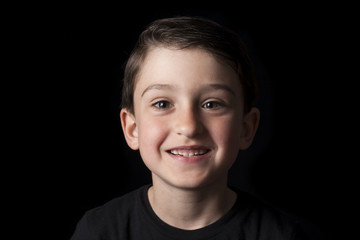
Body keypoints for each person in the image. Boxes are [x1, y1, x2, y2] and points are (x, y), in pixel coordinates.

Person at [70, 16, 307, 240]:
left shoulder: (280, 235)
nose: (189, 126)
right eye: (162, 103)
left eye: (211, 104)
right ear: (133, 129)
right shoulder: (100, 231)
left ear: (246, 128)